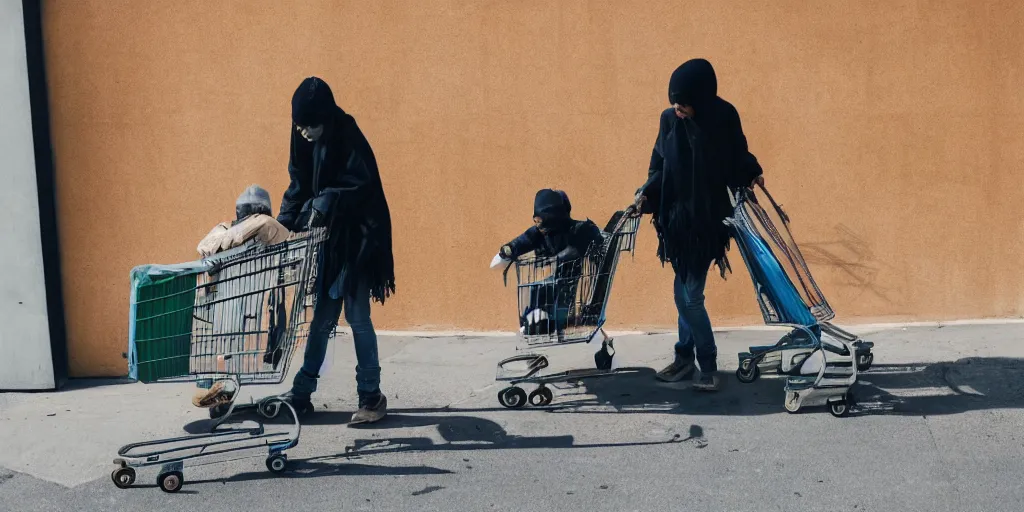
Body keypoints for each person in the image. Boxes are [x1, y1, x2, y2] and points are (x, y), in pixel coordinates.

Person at [635, 58, 765, 391]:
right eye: (674, 102)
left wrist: (751, 174)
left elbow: (737, 155)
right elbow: (658, 166)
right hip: (675, 223)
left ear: (702, 98)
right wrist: (644, 197)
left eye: (684, 103)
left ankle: (704, 364)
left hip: (708, 223)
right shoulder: (668, 120)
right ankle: (683, 358)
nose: (677, 108)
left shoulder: (723, 116)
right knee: (685, 292)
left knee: (689, 296)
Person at [276, 76, 396, 424]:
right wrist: (283, 225)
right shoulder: (302, 134)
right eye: (299, 127)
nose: (304, 134)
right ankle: (301, 394)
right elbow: (298, 180)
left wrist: (327, 199)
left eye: (310, 127)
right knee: (323, 320)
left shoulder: (348, 135)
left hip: (360, 239)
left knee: (358, 318)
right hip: (330, 238)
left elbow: (362, 186)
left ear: (326, 119)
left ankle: (371, 397)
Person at [498, 189, 604, 334]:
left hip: (570, 286)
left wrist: (553, 259)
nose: (538, 226)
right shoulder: (542, 232)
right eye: (536, 221)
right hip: (557, 283)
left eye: (541, 221)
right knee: (539, 289)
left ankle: (539, 324)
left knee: (547, 293)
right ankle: (533, 322)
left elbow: (576, 250)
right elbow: (525, 240)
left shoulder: (580, 230)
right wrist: (509, 249)